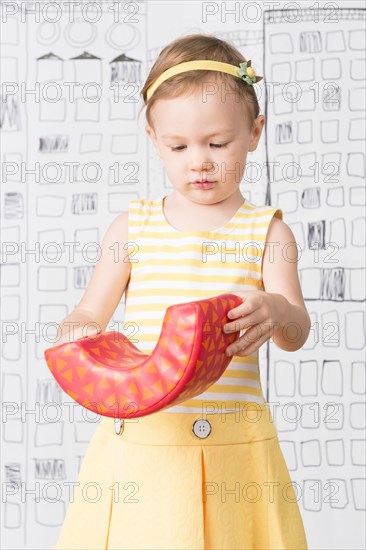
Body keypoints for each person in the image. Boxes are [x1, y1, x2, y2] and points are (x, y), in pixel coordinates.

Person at [53, 33, 310, 550]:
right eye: (178, 146)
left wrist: (276, 309)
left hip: (233, 452)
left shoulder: (268, 233)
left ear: (255, 132)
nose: (200, 161)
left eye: (218, 144)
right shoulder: (132, 228)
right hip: (141, 449)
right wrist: (76, 340)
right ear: (153, 137)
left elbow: (296, 332)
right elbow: (88, 313)